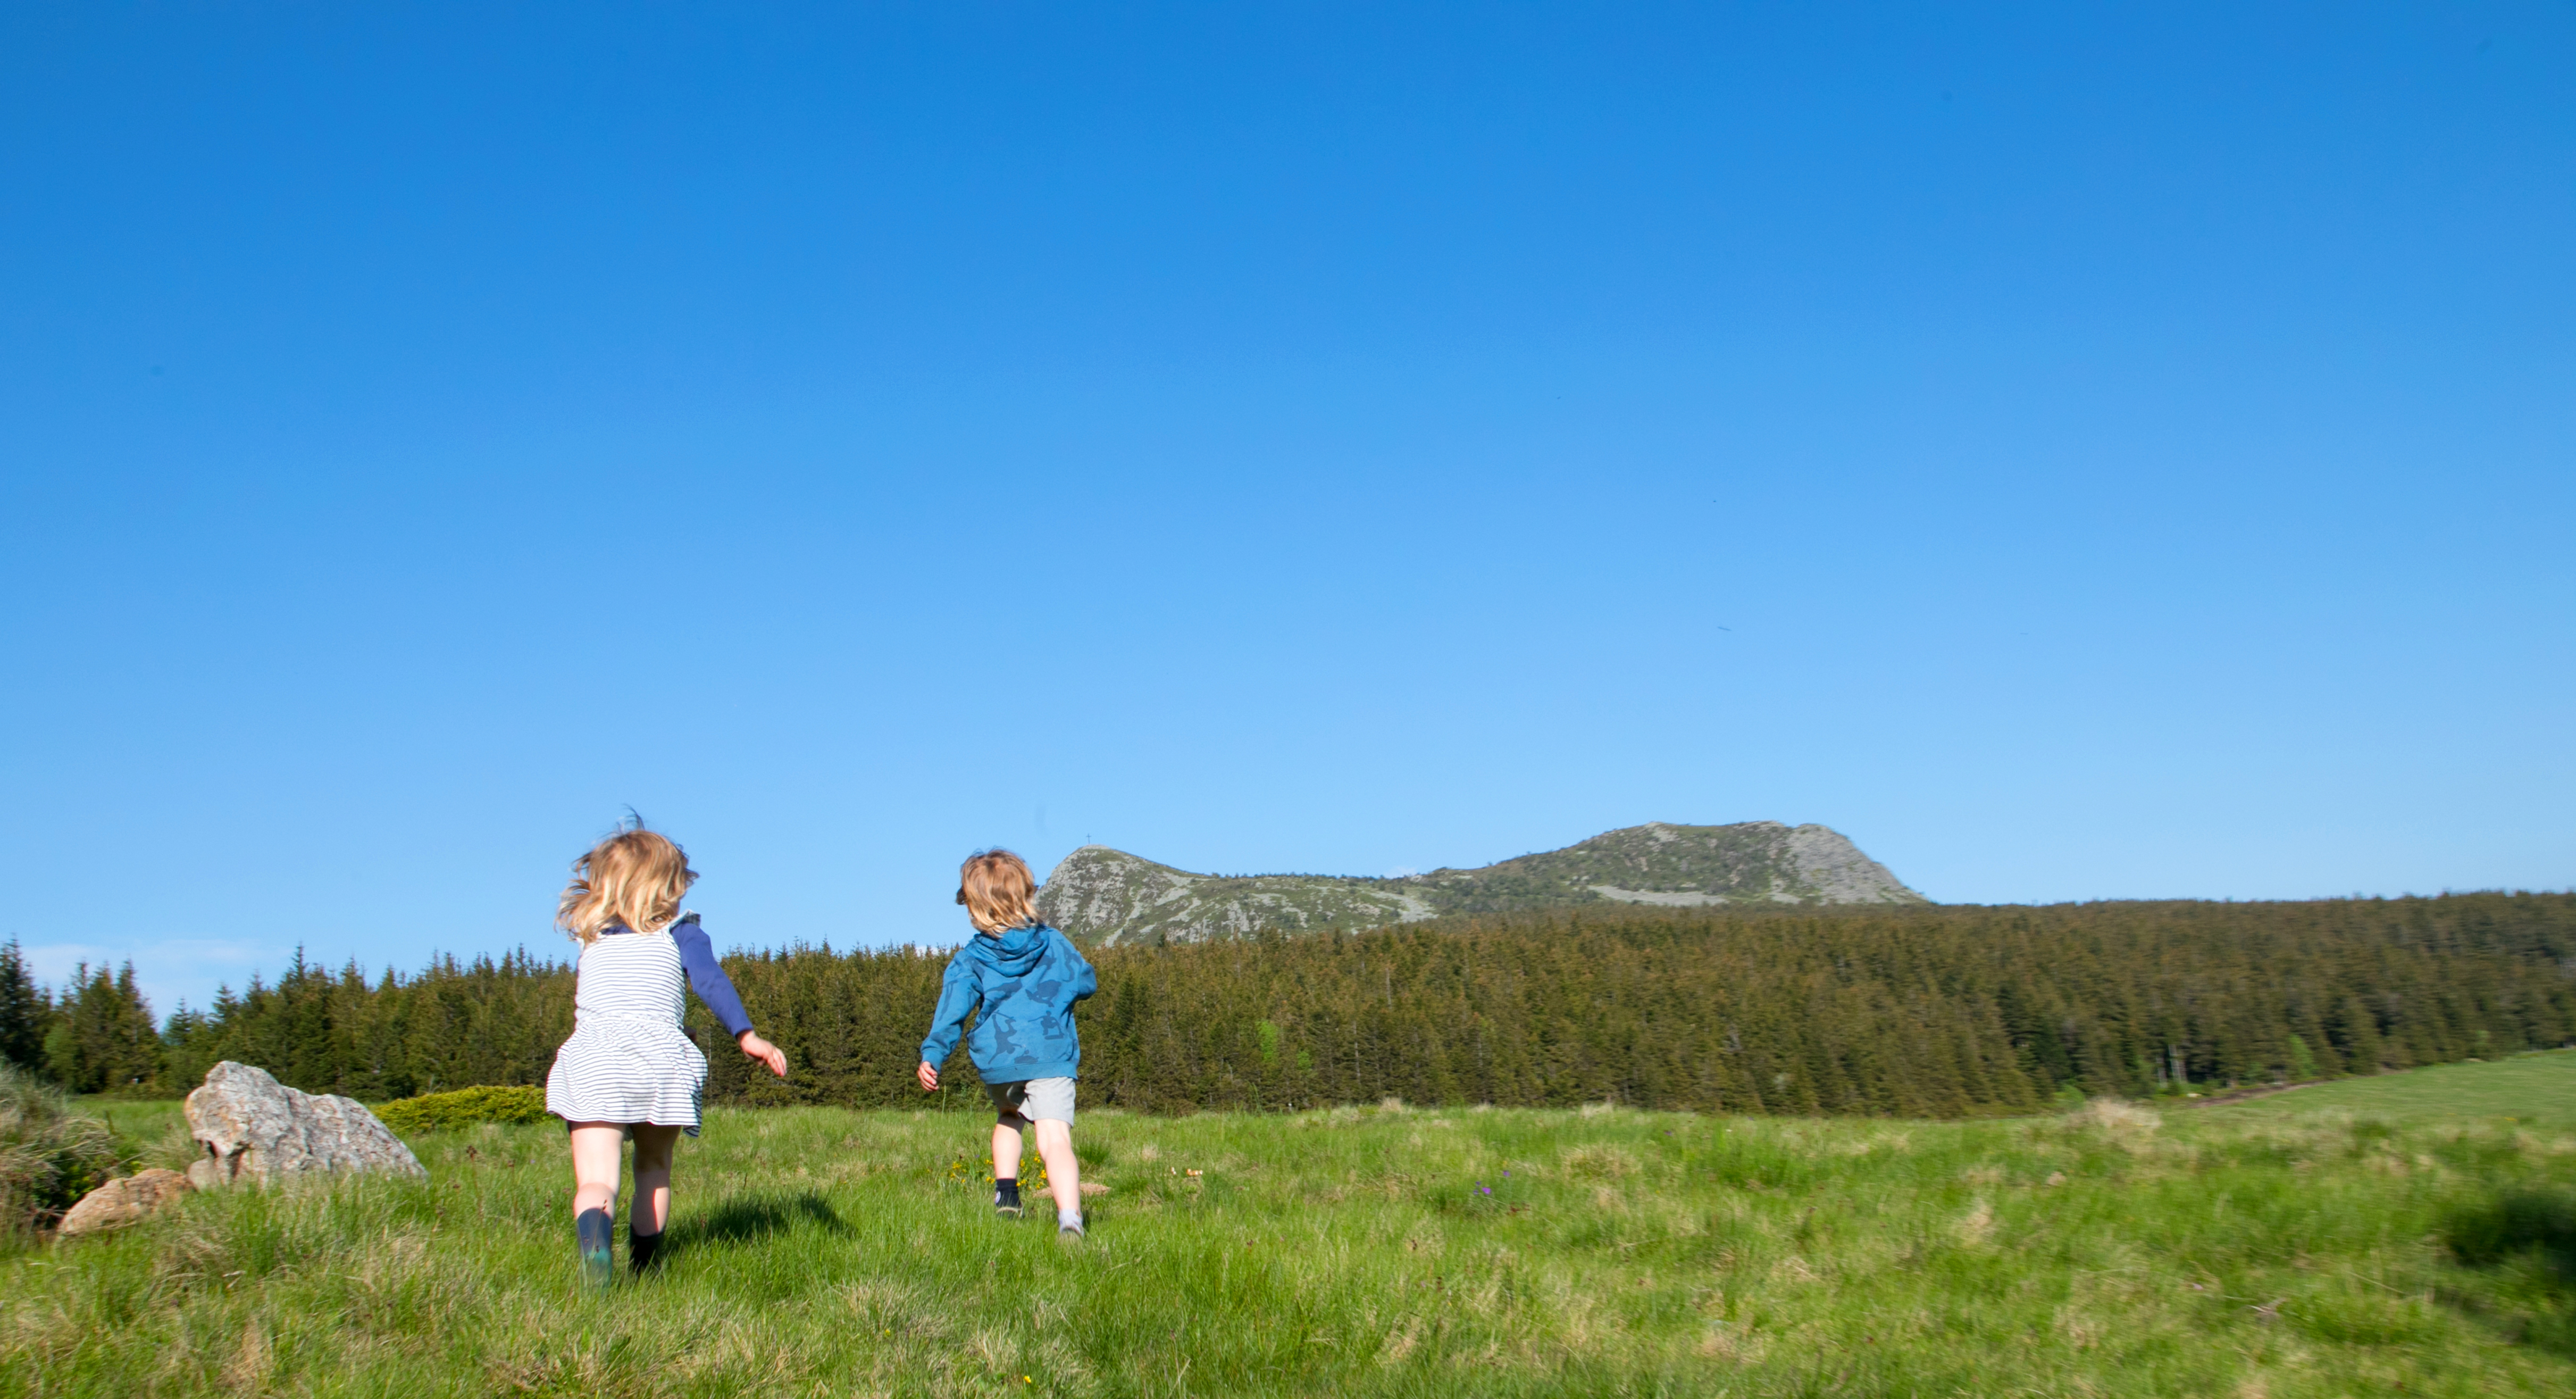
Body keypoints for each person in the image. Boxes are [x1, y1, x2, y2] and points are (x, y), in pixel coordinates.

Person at [544, 825, 787, 1286]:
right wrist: (747, 1036)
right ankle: (647, 1272)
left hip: (596, 1060)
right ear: (666, 890)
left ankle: (596, 1252)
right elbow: (711, 982)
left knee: (597, 1180)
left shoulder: (591, 936)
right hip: (660, 1064)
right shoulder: (682, 934)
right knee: (654, 1170)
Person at [917, 848, 1098, 1237]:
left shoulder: (970, 959)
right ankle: (1070, 1219)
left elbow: (951, 1013)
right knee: (1054, 1139)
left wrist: (933, 1054)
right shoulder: (1053, 942)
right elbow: (1087, 982)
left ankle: (1007, 1195)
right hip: (1052, 1055)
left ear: (974, 906)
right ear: (1026, 895)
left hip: (1000, 1060)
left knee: (1010, 1117)